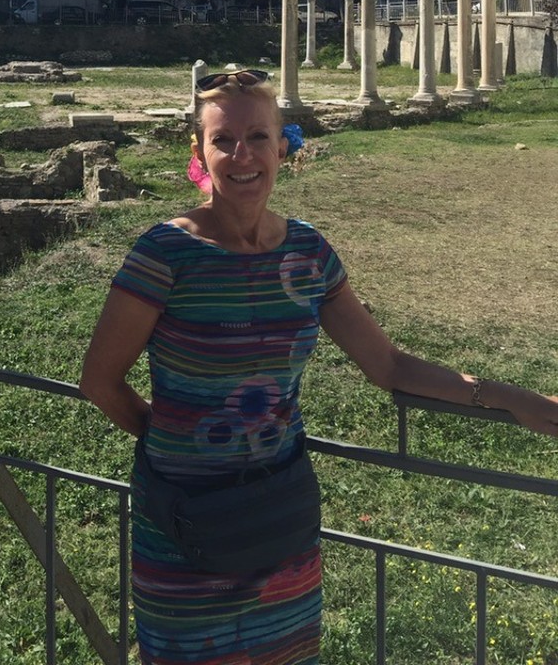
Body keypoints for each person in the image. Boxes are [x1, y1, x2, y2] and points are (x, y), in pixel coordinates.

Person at [80, 69, 558, 665]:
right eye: (223, 140)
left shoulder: (308, 253)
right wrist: (170, 436)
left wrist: (512, 398)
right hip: (184, 527)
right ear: (200, 153)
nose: (242, 154)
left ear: (283, 147)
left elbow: (387, 365)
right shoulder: (165, 254)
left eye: (257, 137)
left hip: (279, 519)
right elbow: (99, 379)